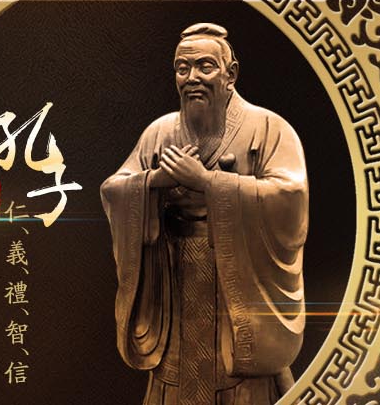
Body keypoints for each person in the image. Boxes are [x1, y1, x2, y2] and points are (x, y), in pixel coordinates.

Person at [100, 23, 308, 404]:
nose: (192, 77)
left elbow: (290, 197)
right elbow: (114, 189)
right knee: (176, 379)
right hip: (177, 287)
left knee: (241, 385)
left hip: (236, 289)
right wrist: (154, 181)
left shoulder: (269, 128)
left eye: (205, 66)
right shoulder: (160, 132)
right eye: (182, 68)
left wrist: (208, 182)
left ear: (231, 74)